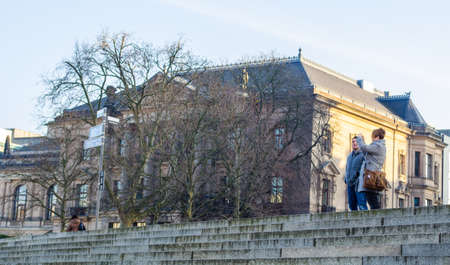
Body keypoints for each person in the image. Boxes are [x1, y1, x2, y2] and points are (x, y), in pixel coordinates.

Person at [355, 128, 386, 210]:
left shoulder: (379, 146)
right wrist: (362, 142)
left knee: (372, 198)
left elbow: (365, 148)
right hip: (371, 174)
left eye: (373, 137)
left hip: (371, 175)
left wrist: (360, 139)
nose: (372, 139)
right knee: (371, 197)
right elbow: (366, 151)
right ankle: (376, 214)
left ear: (377, 137)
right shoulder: (377, 146)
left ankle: (377, 216)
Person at [344, 136, 364, 211]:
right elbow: (347, 168)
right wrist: (346, 179)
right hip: (350, 184)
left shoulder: (363, 155)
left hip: (359, 185)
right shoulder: (349, 156)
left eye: (357, 141)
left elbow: (364, 169)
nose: (355, 143)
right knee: (352, 206)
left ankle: (364, 222)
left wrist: (358, 179)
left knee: (361, 205)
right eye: (353, 141)